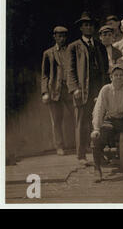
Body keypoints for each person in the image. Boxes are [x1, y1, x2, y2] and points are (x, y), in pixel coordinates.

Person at [67, 12, 109, 166]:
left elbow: (105, 70)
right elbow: (70, 70)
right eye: (85, 25)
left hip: (99, 90)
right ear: (81, 28)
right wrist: (75, 89)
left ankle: (99, 153)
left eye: (91, 24)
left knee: (99, 122)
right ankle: (81, 155)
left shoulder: (99, 46)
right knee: (82, 122)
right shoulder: (74, 47)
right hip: (82, 90)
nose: (88, 27)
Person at [90, 63, 123, 183]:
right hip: (110, 119)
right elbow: (99, 109)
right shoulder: (105, 89)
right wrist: (96, 128)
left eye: (121, 75)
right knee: (96, 137)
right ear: (111, 77)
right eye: (116, 75)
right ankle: (97, 169)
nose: (118, 77)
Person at [41, 26, 74, 156]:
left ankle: (82, 145)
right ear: (54, 37)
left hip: (70, 90)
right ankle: (59, 146)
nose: (62, 39)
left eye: (64, 36)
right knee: (56, 120)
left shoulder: (71, 51)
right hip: (55, 90)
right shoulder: (48, 53)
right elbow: (45, 75)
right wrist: (45, 92)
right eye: (59, 36)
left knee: (78, 117)